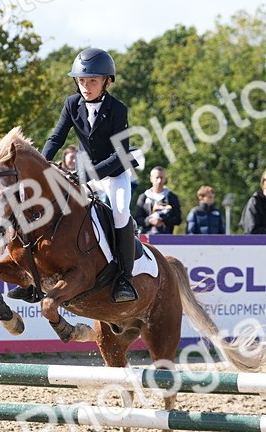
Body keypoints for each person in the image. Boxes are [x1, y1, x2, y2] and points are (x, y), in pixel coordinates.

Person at [35, 47, 141, 303]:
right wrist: (40, 165)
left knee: (119, 213)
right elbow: (56, 138)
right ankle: (36, 274)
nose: (86, 86)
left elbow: (121, 154)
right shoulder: (72, 104)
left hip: (113, 174)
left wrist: (91, 175)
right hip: (82, 172)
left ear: (107, 81)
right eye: (82, 80)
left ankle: (125, 278)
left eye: (92, 80)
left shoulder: (118, 109)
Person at [135, 166, 182, 235]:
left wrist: (162, 220)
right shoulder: (143, 197)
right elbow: (137, 218)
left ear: (165, 179)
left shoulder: (172, 197)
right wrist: (150, 220)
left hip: (166, 237)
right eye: (157, 177)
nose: (159, 181)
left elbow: (178, 219)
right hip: (146, 238)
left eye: (161, 177)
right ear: (151, 179)